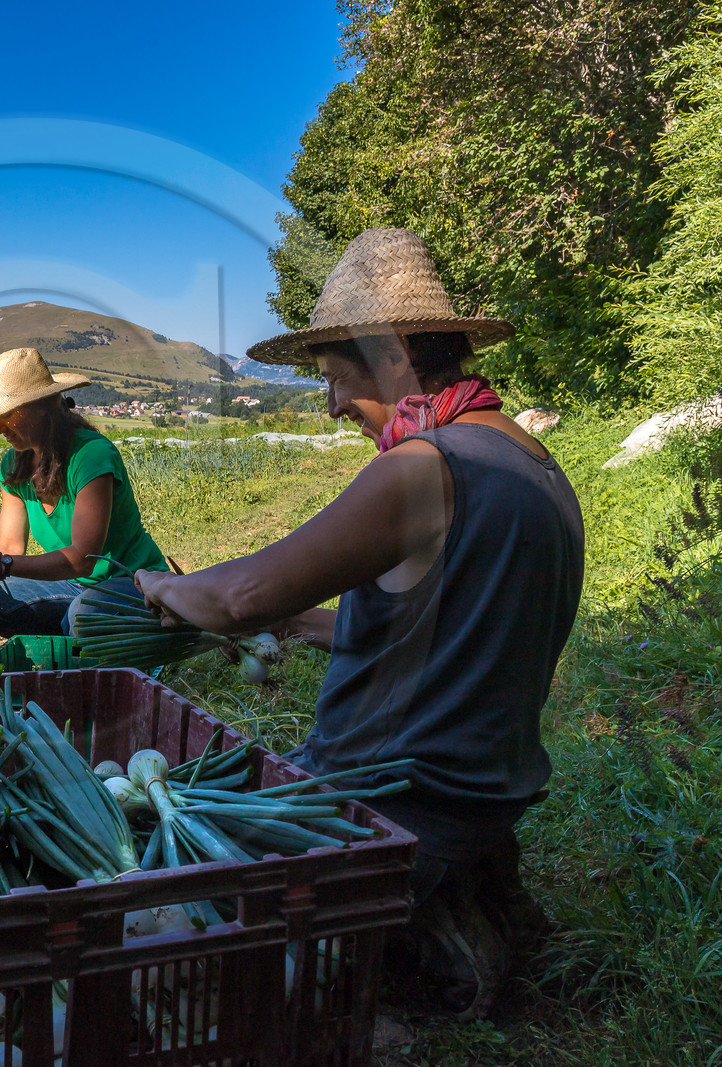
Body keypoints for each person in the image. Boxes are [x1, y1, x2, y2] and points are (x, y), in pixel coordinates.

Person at [133, 229, 585, 1017]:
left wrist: (162, 586)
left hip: (385, 805)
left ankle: (397, 938)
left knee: (147, 857)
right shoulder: (532, 462)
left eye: (336, 377)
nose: (333, 404)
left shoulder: (422, 467)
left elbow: (242, 596)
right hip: (477, 800)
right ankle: (455, 905)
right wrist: (307, 623)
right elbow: (457, 630)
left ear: (392, 355)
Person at [0, 347, 171, 635]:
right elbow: (10, 546)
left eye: (7, 415)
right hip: (72, 587)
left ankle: (87, 631)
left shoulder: (91, 455)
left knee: (83, 615)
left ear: (41, 406)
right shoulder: (13, 465)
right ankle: (71, 633)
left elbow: (83, 560)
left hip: (134, 582)